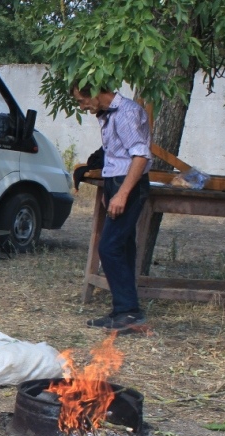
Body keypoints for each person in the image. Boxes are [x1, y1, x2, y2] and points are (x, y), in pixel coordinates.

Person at [71, 82, 151, 333]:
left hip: (130, 184)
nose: (83, 107)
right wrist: (110, 191)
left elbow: (140, 156)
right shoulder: (108, 115)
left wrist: (123, 194)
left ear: (95, 92)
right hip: (117, 182)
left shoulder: (126, 112)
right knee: (123, 246)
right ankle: (123, 311)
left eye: (83, 101)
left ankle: (129, 311)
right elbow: (115, 156)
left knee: (109, 247)